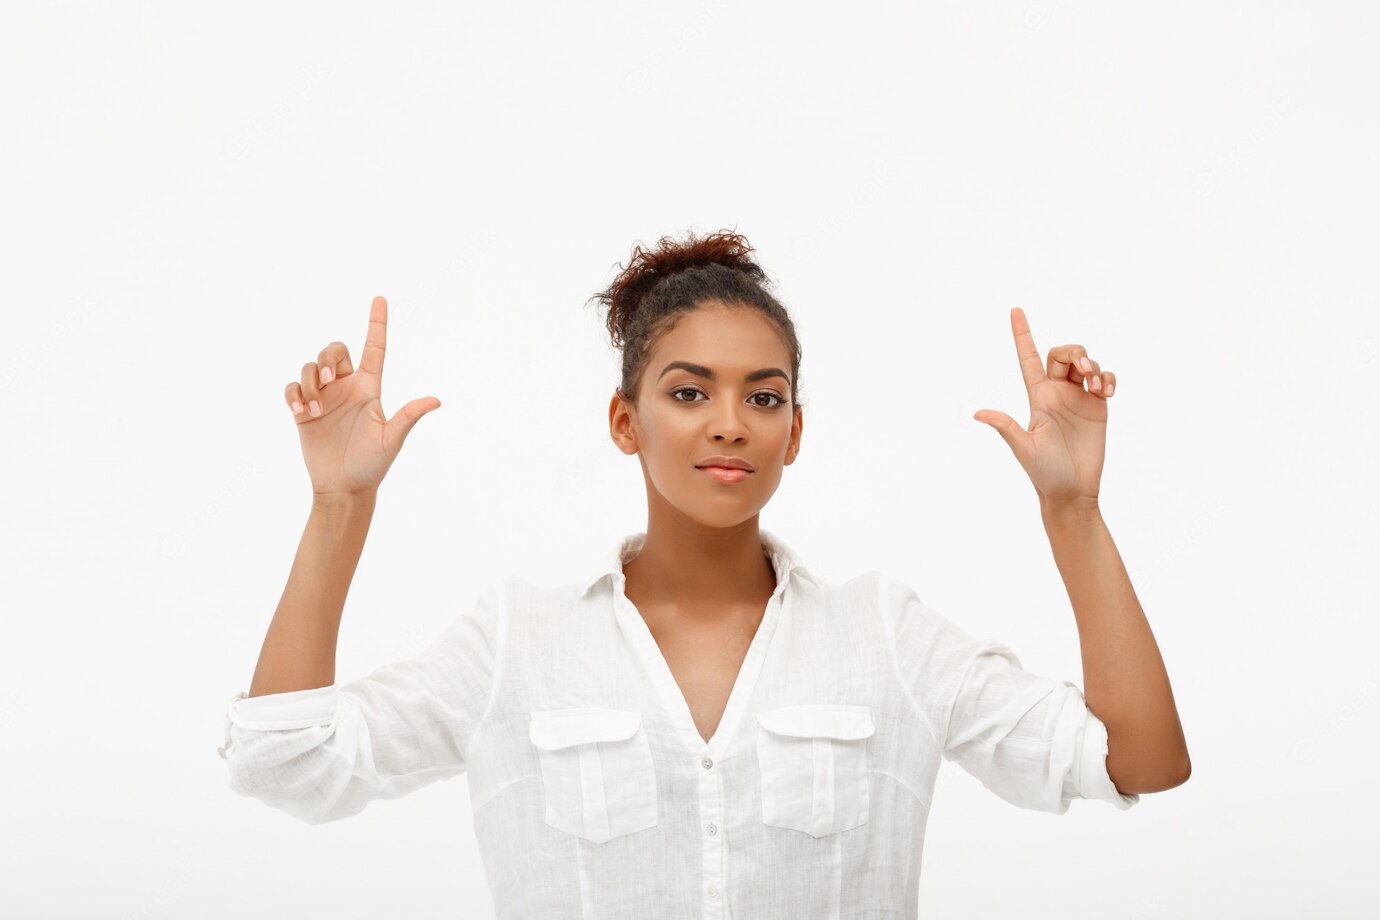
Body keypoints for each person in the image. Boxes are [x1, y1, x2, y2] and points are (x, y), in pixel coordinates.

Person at [219, 229, 1190, 918]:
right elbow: (286, 759)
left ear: (794, 431)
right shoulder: (518, 640)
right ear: (624, 421)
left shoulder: (884, 635)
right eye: (689, 391)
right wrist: (339, 505)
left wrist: (1073, 507)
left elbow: (1139, 760)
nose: (730, 421)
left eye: (762, 396)